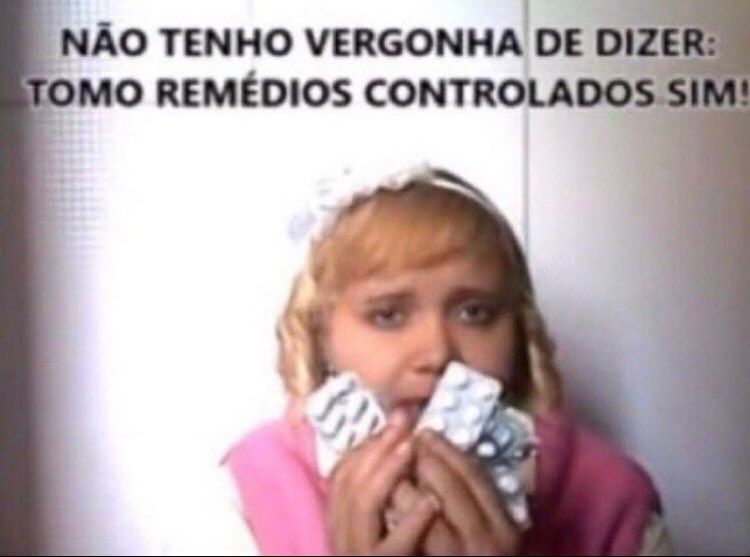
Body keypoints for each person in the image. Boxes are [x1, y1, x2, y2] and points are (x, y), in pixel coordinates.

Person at [167, 165, 673, 555]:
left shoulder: (612, 502)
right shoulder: (248, 493)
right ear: (323, 337)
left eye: (475, 312)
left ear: (519, 334)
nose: (438, 353)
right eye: (388, 315)